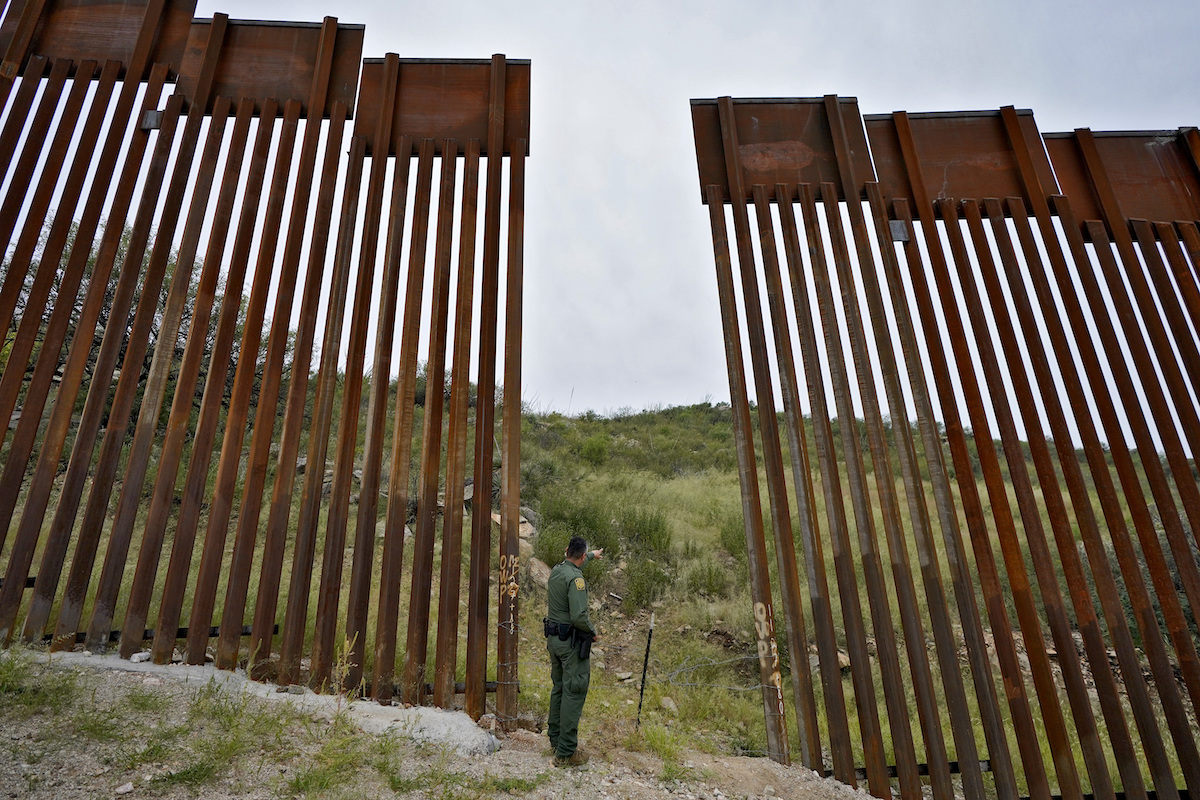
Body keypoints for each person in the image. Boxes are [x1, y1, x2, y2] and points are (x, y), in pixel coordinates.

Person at [544, 535, 603, 767]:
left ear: (567, 550)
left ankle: (556, 740)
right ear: (579, 556)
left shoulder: (558, 570)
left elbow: (576, 562)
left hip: (554, 642)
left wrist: (592, 555)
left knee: (559, 689)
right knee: (574, 692)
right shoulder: (576, 580)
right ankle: (566, 753)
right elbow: (579, 616)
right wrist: (593, 631)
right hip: (571, 645)